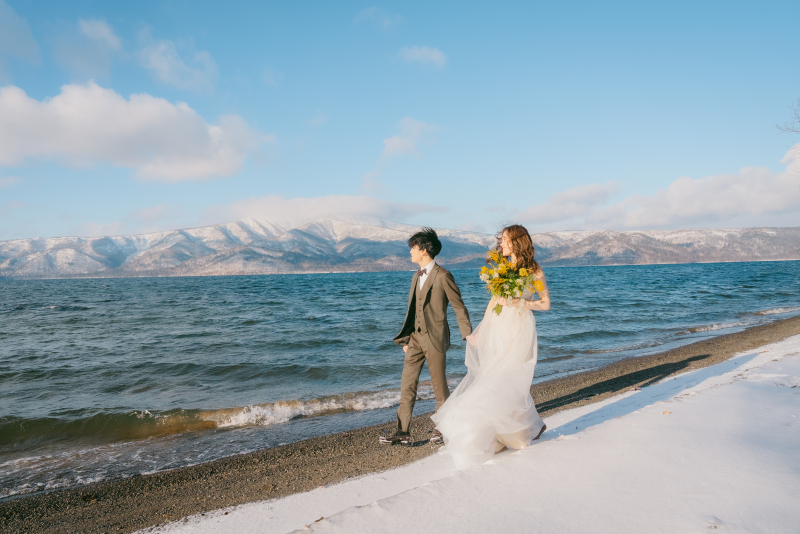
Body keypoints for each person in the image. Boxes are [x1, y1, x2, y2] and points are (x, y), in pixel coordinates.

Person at [431, 224, 550, 468]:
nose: (501, 244)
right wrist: (479, 332)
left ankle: (517, 429)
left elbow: (545, 303)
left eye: (505, 240)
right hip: (497, 327)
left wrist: (518, 301)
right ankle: (525, 427)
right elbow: (494, 300)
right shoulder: (502, 268)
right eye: (501, 240)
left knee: (509, 378)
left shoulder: (534, 270)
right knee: (493, 376)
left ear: (517, 242)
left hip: (519, 327)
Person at [380, 227, 473, 446]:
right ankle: (403, 431)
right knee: (407, 386)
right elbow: (413, 310)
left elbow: (459, 308)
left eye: (412, 247)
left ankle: (442, 429)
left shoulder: (443, 276)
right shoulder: (415, 276)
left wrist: (468, 335)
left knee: (439, 387)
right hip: (414, 340)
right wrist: (406, 339)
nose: (409, 252)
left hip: (435, 339)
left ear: (423, 249)